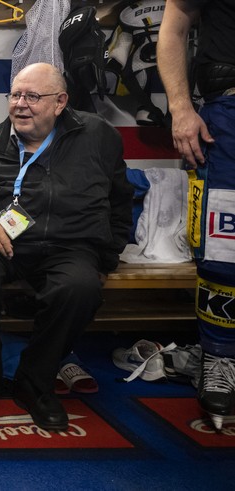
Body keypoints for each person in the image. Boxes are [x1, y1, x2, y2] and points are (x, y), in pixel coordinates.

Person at [0, 63, 132, 431]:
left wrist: (109, 254)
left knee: (80, 287)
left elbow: (120, 196)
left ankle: (34, 383)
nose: (20, 104)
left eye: (32, 97)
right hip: (5, 244)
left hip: (71, 244)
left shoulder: (98, 135)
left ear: (60, 102)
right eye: (16, 95)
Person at [158, 0, 235, 430]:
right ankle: (220, 359)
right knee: (223, 248)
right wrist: (181, 108)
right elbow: (174, 25)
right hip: (227, 113)